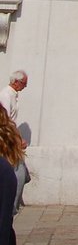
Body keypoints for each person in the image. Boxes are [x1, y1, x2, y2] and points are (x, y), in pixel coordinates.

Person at [0, 75, 28, 216]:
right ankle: (11, 209)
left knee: (20, 173)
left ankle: (12, 207)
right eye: (24, 83)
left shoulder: (12, 95)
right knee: (18, 172)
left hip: (9, 137)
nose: (25, 86)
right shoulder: (6, 95)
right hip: (6, 140)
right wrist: (16, 138)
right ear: (16, 82)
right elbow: (5, 120)